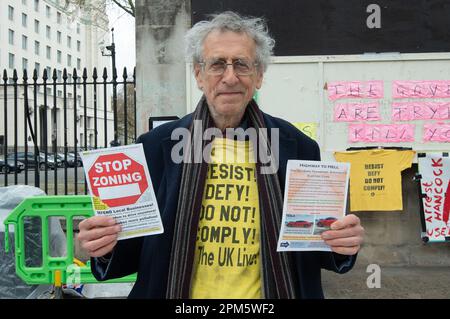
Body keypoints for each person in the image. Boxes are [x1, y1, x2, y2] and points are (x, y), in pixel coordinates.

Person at [78, 11, 364, 299]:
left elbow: (313, 247)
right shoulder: (155, 148)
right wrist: (105, 244)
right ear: (199, 74)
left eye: (242, 64)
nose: (230, 77)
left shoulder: (297, 146)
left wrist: (341, 241)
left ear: (259, 75)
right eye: (217, 64)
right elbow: (131, 250)